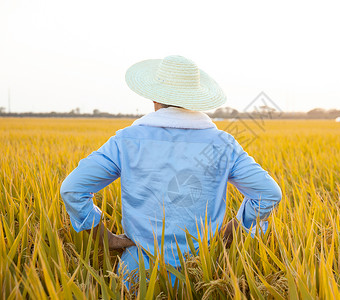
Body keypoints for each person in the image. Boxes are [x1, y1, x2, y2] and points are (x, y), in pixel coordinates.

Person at [60, 55, 282, 287]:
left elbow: (73, 189)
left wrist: (106, 239)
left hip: (137, 277)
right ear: (196, 99)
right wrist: (230, 232)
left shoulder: (126, 140)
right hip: (201, 274)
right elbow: (268, 194)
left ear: (154, 97)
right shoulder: (223, 144)